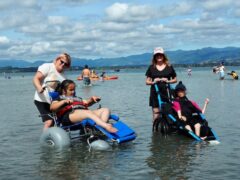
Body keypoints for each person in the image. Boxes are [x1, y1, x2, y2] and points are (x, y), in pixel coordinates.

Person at [50, 79, 118, 133]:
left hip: (83, 113)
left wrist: (92, 100)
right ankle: (106, 126)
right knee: (87, 113)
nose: (73, 92)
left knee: (105, 110)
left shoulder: (77, 98)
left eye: (74, 89)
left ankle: (100, 129)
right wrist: (64, 102)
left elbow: (87, 103)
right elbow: (52, 107)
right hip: (69, 116)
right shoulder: (59, 98)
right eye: (70, 90)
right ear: (63, 90)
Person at [33, 53, 71, 131]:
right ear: (57, 60)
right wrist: (39, 88)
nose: (63, 64)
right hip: (42, 100)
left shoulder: (64, 77)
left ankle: (58, 136)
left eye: (66, 64)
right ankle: (44, 141)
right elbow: (36, 79)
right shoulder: (48, 67)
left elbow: (64, 91)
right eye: (62, 61)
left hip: (54, 102)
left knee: (59, 121)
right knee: (49, 121)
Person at [145, 47, 177, 124]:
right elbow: (147, 82)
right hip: (155, 92)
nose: (159, 56)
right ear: (155, 57)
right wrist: (153, 82)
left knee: (167, 112)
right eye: (157, 55)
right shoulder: (151, 67)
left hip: (167, 92)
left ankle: (167, 130)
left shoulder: (169, 66)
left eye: (160, 55)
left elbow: (175, 79)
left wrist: (168, 81)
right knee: (156, 114)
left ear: (163, 56)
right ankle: (156, 132)